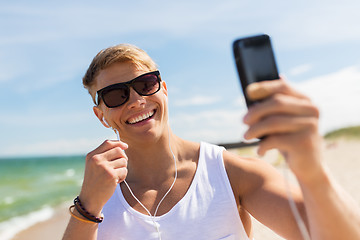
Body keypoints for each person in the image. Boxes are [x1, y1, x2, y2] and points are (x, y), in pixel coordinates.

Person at [63, 44, 360, 240]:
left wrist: (313, 172)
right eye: (116, 95)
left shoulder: (229, 173)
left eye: (145, 84)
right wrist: (87, 207)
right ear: (101, 115)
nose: (137, 100)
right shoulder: (97, 198)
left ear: (163, 90)